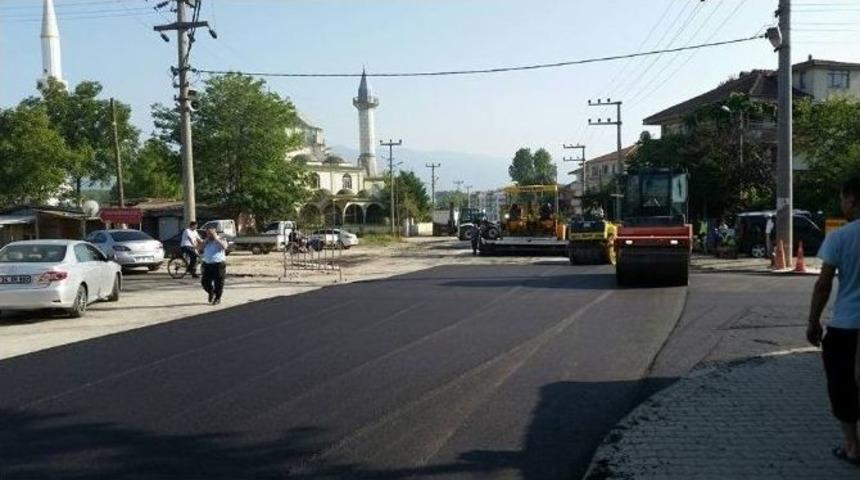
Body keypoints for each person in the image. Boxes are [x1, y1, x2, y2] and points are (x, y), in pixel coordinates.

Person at [807, 177, 860, 466]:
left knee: (842, 388)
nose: (842, 204)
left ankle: (853, 446)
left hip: (846, 326)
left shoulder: (840, 237)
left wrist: (813, 322)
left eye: (842, 199)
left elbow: (823, 285)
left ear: (851, 200)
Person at [200, 226, 229, 305]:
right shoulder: (206, 241)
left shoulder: (221, 239)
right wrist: (205, 240)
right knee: (205, 282)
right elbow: (200, 248)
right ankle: (211, 292)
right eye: (208, 233)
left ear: (215, 232)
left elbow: (224, 247)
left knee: (218, 283)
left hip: (218, 264)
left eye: (211, 233)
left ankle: (217, 298)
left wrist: (216, 239)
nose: (209, 235)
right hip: (207, 264)